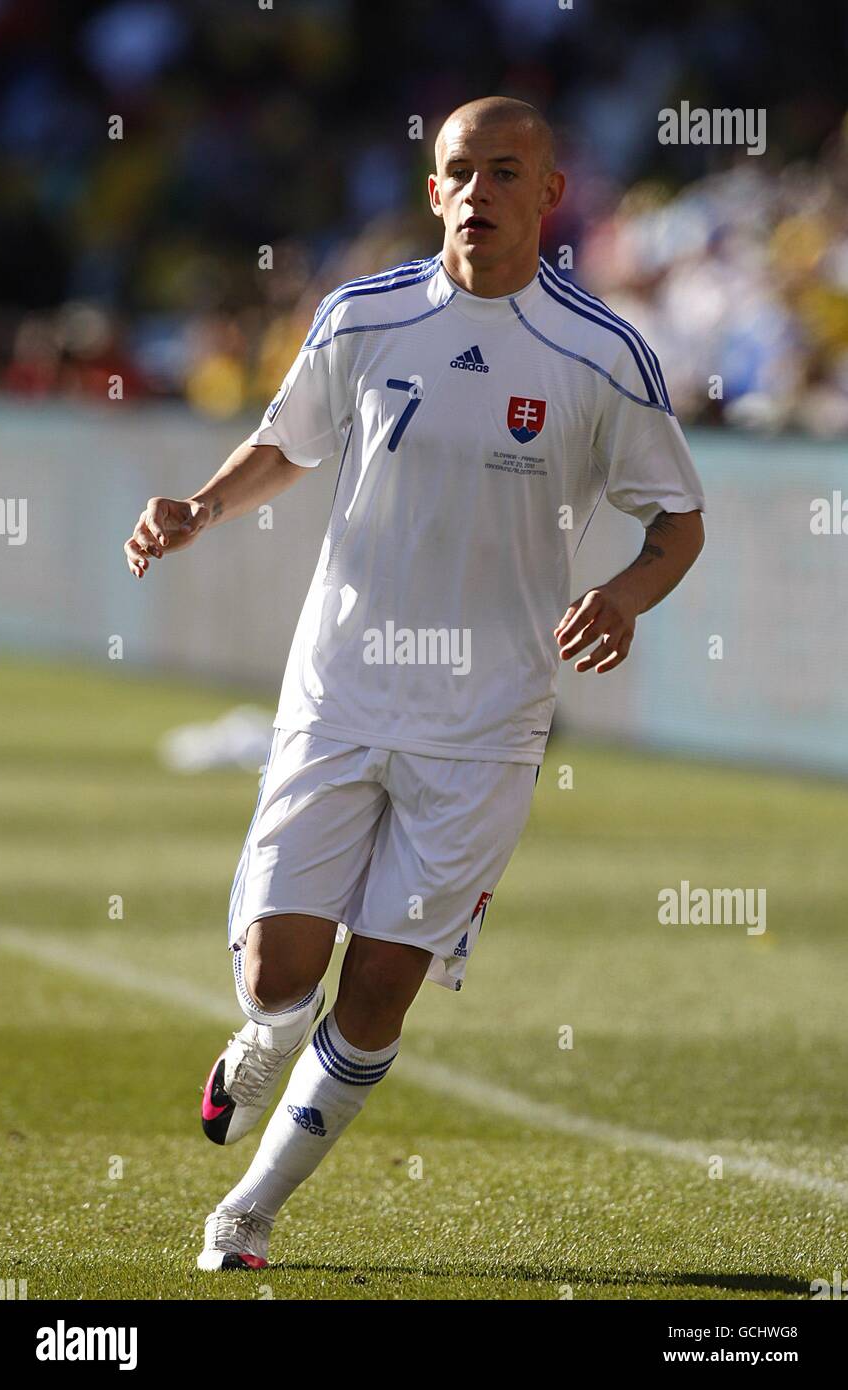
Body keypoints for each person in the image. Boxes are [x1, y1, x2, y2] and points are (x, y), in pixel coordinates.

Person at [124, 96, 705, 1271]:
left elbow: (678, 523)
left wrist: (624, 597)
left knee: (382, 987)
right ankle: (261, 1034)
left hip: (486, 723)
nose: (480, 191)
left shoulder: (604, 355)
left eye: (506, 171)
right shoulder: (365, 314)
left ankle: (249, 1211)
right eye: (459, 171)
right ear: (433, 190)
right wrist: (199, 505)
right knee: (280, 970)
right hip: (341, 689)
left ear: (550, 196)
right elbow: (289, 442)